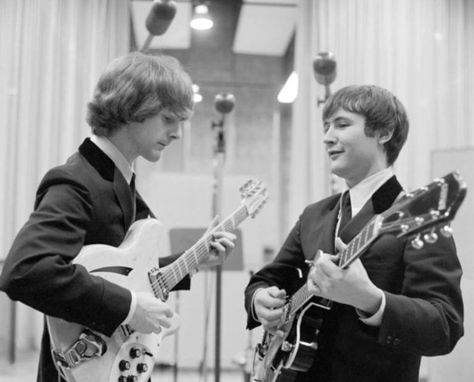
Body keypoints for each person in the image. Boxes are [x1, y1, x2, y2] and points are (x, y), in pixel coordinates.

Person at [0, 52, 236, 382]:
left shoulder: (118, 179)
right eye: (169, 119)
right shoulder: (77, 180)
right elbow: (25, 271)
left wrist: (194, 258)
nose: (178, 133)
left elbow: (129, 274)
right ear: (132, 108)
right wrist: (127, 307)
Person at [245, 85, 463, 382]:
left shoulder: (420, 216)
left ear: (384, 133)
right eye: (326, 126)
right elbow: (267, 279)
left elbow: (444, 326)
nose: (327, 137)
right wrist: (259, 300)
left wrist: (372, 300)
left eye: (342, 124)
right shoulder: (314, 215)